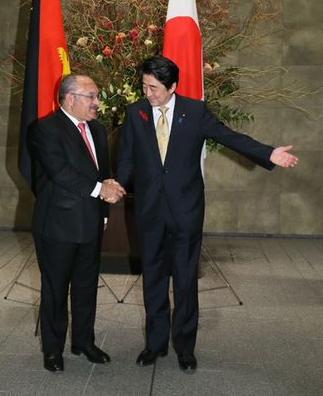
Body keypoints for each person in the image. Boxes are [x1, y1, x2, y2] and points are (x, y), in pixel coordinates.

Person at [115, 56, 298, 373]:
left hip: (186, 210)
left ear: (172, 86)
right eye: (144, 86)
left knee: (185, 280)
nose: (148, 93)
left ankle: (185, 347)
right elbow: (127, 155)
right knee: (154, 279)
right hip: (149, 211)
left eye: (155, 88)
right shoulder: (136, 113)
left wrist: (268, 152)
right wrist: (117, 182)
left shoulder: (194, 111)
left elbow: (229, 137)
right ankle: (155, 344)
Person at [29, 74, 126, 372]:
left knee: (86, 286)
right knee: (56, 289)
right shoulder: (45, 129)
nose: (98, 103)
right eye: (92, 96)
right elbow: (60, 173)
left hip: (91, 222)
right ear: (70, 98)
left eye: (97, 96)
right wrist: (102, 190)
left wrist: (106, 212)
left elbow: (101, 172)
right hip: (57, 225)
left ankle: (84, 341)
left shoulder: (96, 130)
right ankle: (53, 350)